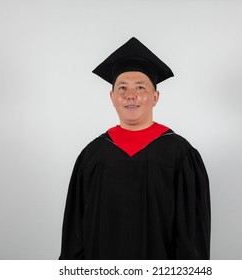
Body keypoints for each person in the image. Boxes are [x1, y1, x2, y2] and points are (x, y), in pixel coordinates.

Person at [59, 37, 210, 260]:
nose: (130, 95)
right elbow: (75, 234)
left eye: (140, 87)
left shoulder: (179, 154)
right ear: (112, 97)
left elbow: (192, 235)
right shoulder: (92, 155)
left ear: (155, 97)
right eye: (122, 88)